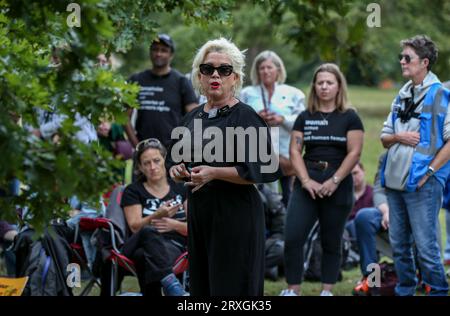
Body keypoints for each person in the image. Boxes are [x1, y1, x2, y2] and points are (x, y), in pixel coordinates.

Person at [168, 38, 281, 296]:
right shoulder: (191, 117)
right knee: (203, 287)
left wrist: (214, 172)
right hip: (200, 215)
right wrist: (176, 170)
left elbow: (260, 170)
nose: (215, 75)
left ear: (235, 77)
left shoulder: (245, 116)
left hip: (236, 217)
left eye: (224, 70)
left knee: (232, 288)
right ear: (200, 75)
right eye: (208, 69)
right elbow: (174, 160)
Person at [281, 63, 364, 296]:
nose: (324, 87)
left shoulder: (350, 117)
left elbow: (354, 153)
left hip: (338, 185)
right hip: (307, 184)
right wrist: (306, 181)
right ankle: (292, 289)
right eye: (320, 83)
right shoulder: (305, 117)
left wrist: (334, 181)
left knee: (331, 239)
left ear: (338, 87)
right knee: (293, 236)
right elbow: (295, 151)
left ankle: (326, 290)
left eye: (329, 82)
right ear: (314, 86)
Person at [380, 35, 450, 296]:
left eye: (407, 58)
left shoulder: (441, 94)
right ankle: (405, 289)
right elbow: (384, 137)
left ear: (425, 62)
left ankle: (439, 291)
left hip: (423, 184)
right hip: (395, 182)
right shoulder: (402, 93)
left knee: (426, 246)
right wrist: (399, 137)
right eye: (402, 57)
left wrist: (429, 174)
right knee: (399, 244)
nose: (402, 61)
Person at [120, 138, 188, 296]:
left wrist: (174, 225)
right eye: (146, 163)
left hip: (172, 245)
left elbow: (195, 226)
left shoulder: (180, 188)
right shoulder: (133, 190)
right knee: (147, 232)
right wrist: (157, 215)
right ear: (140, 167)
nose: (152, 167)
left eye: (156, 161)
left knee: (144, 256)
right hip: (137, 243)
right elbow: (135, 227)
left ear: (165, 159)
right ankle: (173, 288)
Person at [241, 50, 305, 207]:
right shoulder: (247, 93)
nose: (265, 71)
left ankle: (287, 229)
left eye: (269, 67)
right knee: (266, 199)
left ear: (278, 69)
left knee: (289, 198)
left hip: (287, 154)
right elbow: (238, 120)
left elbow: (303, 120)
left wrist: (282, 119)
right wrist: (256, 118)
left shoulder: (293, 94)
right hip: (258, 153)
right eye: (261, 68)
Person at [125, 34, 198, 149]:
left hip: (173, 154)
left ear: (171, 55)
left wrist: (181, 147)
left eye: (164, 50)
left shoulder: (181, 82)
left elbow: (195, 118)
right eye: (155, 49)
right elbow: (125, 118)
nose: (159, 53)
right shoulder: (137, 80)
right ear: (150, 52)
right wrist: (138, 146)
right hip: (144, 153)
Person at [352, 152, 390, 295]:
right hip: (389, 211)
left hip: (412, 212)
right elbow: (379, 190)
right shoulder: (385, 157)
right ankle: (372, 280)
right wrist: (386, 211)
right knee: (364, 217)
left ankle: (427, 278)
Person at [257, 184, 286, 281]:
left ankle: (257, 269)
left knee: (282, 249)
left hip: (263, 242)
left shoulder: (267, 194)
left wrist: (266, 243)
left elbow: (281, 229)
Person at [346, 162, 374, 239]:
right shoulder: (343, 194)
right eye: (349, 175)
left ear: (363, 171)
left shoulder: (373, 194)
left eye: (355, 173)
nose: (352, 177)